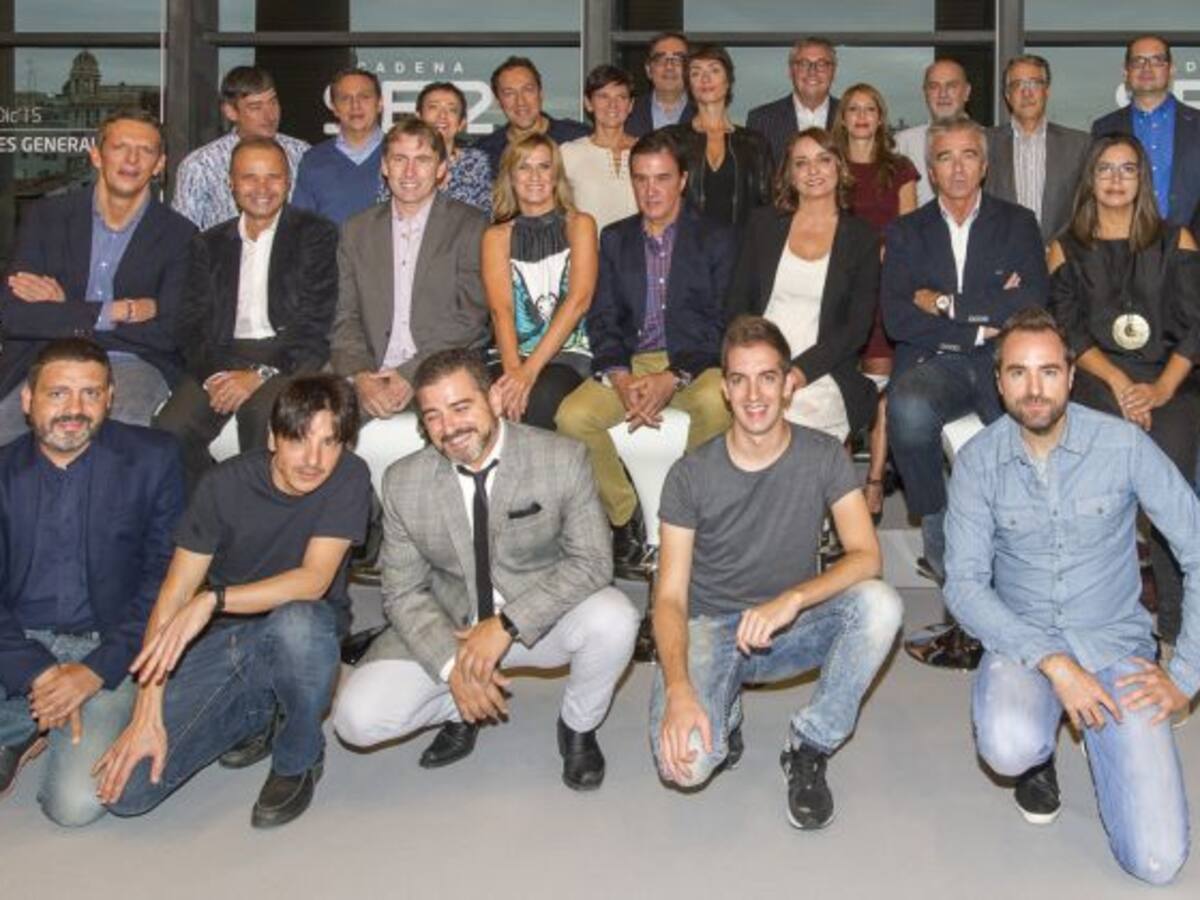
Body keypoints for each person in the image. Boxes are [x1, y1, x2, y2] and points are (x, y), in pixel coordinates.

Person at [944, 307, 1198, 885]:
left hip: (1114, 644)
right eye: (1018, 373)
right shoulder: (979, 462)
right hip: (1025, 646)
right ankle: (1041, 751)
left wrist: (1185, 675)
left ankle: (1102, 736)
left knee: (1156, 863)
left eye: (1049, 372)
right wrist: (1054, 663)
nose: (1034, 389)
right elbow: (963, 585)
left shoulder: (1122, 445)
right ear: (998, 380)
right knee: (1009, 744)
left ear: (1072, 376)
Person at [332, 349, 637, 791]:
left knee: (615, 618)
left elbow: (592, 562)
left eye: (461, 408)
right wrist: (452, 667)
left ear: (494, 399)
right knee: (355, 721)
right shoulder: (403, 482)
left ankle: (577, 727)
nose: (449, 428)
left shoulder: (561, 457)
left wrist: (507, 623)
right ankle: (463, 706)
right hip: (452, 626)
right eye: (433, 416)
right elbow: (402, 593)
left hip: (536, 619)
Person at [650, 315, 901, 828]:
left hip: (788, 627)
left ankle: (809, 744)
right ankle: (724, 709)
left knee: (881, 604)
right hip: (710, 630)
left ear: (788, 385)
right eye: (739, 380)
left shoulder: (823, 455)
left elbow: (866, 555)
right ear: (724, 390)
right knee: (687, 766)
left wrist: (793, 599)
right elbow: (669, 598)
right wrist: (678, 688)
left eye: (767, 378)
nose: (754, 395)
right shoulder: (689, 475)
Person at [96, 375, 371, 828]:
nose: (314, 460)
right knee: (128, 794)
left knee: (298, 625)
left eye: (329, 443)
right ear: (272, 438)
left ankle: (298, 755)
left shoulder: (349, 476)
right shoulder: (222, 487)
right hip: (230, 643)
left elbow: (313, 580)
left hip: (304, 631)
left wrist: (214, 600)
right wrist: (146, 710)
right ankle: (260, 711)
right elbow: (174, 594)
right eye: (298, 440)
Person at [882, 115, 1047, 665]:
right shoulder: (906, 232)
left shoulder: (1018, 223)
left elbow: (1029, 304)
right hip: (937, 362)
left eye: (968, 155)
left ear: (985, 164)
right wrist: (980, 319)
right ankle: (937, 529)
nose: (957, 168)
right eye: (945, 157)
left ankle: (1020, 579)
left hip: (1004, 362)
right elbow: (897, 317)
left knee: (1025, 451)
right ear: (930, 170)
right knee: (908, 410)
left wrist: (946, 304)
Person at [0, 340, 184, 826]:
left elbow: (164, 581)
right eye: (57, 393)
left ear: (110, 398)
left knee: (75, 805)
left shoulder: (155, 459)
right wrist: (37, 672)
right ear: (28, 400)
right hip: (17, 640)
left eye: (90, 394)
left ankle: (24, 721)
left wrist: (95, 671)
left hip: (108, 646)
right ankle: (32, 717)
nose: (74, 410)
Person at [1047, 134, 1200, 658]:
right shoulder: (1065, 247)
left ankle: (1176, 633)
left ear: (1143, 179)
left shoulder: (1177, 240)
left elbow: (1195, 327)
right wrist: (1119, 385)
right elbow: (1069, 331)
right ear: (1089, 178)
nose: (1116, 180)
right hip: (1097, 379)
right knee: (1097, 496)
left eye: (1127, 169)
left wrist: (1160, 389)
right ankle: (1100, 630)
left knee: (1170, 494)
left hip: (1170, 381)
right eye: (1105, 169)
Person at [555, 131, 733, 576]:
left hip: (695, 362)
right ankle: (624, 517)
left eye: (662, 178)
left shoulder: (716, 237)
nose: (651, 190)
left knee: (718, 403)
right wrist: (618, 376)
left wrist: (674, 376)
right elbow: (603, 318)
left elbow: (723, 322)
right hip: (632, 362)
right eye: (641, 179)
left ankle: (687, 510)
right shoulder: (615, 238)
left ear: (683, 180)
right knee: (572, 418)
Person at [0, 110, 195, 446]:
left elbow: (168, 333)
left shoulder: (181, 235)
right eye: (120, 147)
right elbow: (14, 315)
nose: (132, 159)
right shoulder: (46, 217)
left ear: (160, 164)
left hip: (133, 366)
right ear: (96, 155)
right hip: (48, 358)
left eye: (145, 150)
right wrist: (114, 311)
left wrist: (66, 311)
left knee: (116, 440)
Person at [155, 138, 339, 493]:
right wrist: (214, 375)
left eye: (273, 177)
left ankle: (258, 518)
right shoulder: (208, 244)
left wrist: (260, 374)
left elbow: (317, 321)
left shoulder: (316, 234)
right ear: (231, 183)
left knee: (262, 419)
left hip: (289, 354)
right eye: (249, 177)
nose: (262, 188)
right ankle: (211, 507)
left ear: (288, 182)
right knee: (171, 429)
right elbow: (190, 324)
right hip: (222, 356)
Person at [727, 128, 879, 444]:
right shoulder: (762, 224)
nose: (813, 171)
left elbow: (856, 328)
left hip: (823, 368)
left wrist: (798, 372)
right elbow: (738, 304)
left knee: (803, 437)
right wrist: (758, 364)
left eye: (823, 159)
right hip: (759, 358)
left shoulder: (862, 237)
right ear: (790, 174)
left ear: (839, 166)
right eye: (801, 162)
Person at [332, 118, 490, 421]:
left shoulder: (471, 226)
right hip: (369, 369)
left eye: (422, 160)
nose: (409, 172)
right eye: (399, 159)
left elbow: (470, 316)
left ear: (441, 169)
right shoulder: (356, 230)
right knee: (311, 419)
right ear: (384, 166)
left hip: (443, 368)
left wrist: (410, 373)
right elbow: (345, 316)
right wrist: (362, 376)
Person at [832, 83, 920, 514]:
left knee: (881, 389)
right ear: (843, 118)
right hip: (839, 291)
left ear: (881, 117)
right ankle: (840, 485)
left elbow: (910, 232)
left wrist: (879, 253)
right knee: (839, 391)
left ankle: (874, 479)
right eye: (854, 109)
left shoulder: (899, 168)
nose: (862, 116)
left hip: (885, 291)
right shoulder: (830, 167)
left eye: (870, 109)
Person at [483, 134, 597, 430]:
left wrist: (528, 372)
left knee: (540, 398)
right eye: (524, 167)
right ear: (510, 177)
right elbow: (501, 310)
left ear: (556, 175)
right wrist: (513, 371)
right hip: (511, 353)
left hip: (568, 354)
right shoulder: (496, 236)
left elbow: (579, 301)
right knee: (489, 400)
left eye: (544, 166)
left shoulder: (580, 224)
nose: (534, 176)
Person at [172, 66, 310, 231]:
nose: (269, 115)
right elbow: (182, 233)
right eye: (255, 107)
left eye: (273, 102)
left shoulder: (302, 154)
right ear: (230, 112)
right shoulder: (201, 165)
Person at [1091, 34, 1200, 231]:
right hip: (1125, 243)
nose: (1147, 68)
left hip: (1193, 244)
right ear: (1126, 71)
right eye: (1138, 61)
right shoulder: (1104, 128)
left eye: (1156, 60)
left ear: (1171, 69)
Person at [664, 45, 772, 234]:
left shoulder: (755, 143)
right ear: (689, 85)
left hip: (742, 247)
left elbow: (768, 205)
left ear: (728, 81)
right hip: (685, 246)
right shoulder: (670, 140)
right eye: (696, 73)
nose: (705, 79)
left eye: (714, 70)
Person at [985, 55, 1090, 243]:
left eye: (1034, 83)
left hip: (1061, 257)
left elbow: (1088, 208)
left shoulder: (1079, 145)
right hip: (1001, 256)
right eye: (1018, 84)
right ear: (1007, 95)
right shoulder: (984, 144)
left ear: (1046, 91)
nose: (1027, 93)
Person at [292, 67, 388, 225]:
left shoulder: (401, 154)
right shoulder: (313, 161)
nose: (355, 105)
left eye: (364, 97)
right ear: (334, 108)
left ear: (380, 103)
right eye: (345, 98)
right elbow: (302, 227)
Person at [474, 57, 590, 177]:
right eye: (509, 93)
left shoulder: (578, 138)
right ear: (498, 101)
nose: (520, 102)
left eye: (528, 90)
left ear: (541, 94)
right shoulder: (484, 154)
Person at [561, 65, 639, 232]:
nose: (613, 104)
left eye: (621, 97)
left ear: (631, 105)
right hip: (586, 247)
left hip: (640, 248)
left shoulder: (649, 152)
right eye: (603, 96)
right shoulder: (568, 153)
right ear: (588, 103)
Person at [747, 36, 841, 163]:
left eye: (822, 64)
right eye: (804, 64)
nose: (812, 72)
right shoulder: (761, 120)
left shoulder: (850, 117)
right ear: (791, 71)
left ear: (833, 72)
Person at [894, 59, 972, 206]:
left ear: (967, 92)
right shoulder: (902, 145)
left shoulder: (990, 142)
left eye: (951, 86)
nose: (943, 94)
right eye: (934, 87)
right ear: (925, 93)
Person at [417, 81, 493, 216]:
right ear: (418, 117)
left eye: (452, 110)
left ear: (461, 123)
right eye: (433, 107)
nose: (442, 115)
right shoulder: (400, 159)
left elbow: (484, 216)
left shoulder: (475, 162)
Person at [627, 32, 696, 137]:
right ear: (648, 70)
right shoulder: (627, 113)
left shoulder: (704, 113)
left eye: (678, 59)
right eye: (660, 59)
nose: (669, 67)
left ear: (690, 69)